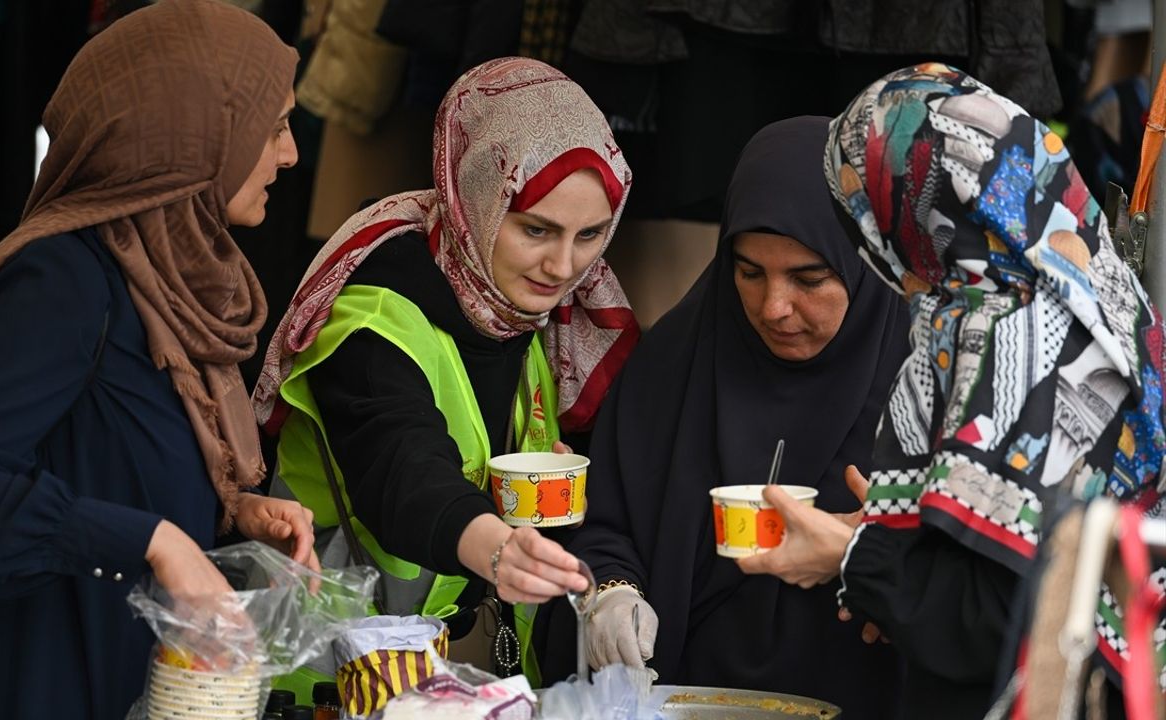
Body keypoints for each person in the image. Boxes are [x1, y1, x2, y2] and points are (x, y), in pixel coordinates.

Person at [0, 2, 321, 718]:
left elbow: (102, 456)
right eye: (273, 127)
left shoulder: (170, 276)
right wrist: (153, 541)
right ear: (193, 136)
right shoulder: (63, 277)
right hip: (17, 690)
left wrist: (231, 511)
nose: (290, 155)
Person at [742, 63, 1166, 718]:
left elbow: (1006, 616)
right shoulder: (1080, 290)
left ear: (904, 205)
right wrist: (896, 545)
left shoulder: (1014, 334)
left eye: (861, 207)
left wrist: (851, 557)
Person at [252, 56, 640, 682]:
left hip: (462, 674)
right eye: (536, 229)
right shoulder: (372, 314)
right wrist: (500, 547)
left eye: (591, 233)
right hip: (337, 675)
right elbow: (402, 467)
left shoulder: (523, 317)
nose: (565, 266)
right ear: (476, 201)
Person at [538, 116, 908, 716]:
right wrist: (612, 590)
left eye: (810, 278)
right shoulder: (677, 363)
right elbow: (607, 521)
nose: (774, 307)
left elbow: (979, 582)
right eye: (748, 272)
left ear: (867, 264)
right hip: (682, 699)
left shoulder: (924, 384)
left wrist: (877, 558)